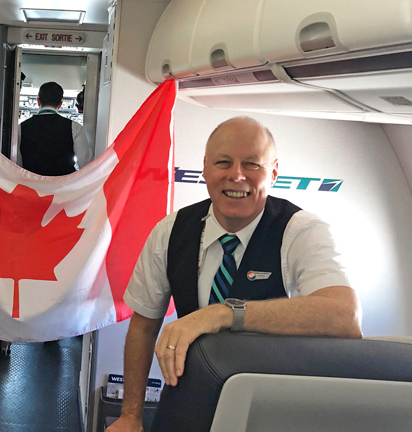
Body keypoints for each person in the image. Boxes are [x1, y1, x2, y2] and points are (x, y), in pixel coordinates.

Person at [107, 116, 362, 432]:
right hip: (189, 396)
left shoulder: (300, 231)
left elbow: (344, 317)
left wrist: (224, 314)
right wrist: (131, 415)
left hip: (270, 407)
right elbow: (143, 327)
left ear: (274, 173)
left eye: (252, 165)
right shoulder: (170, 232)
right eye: (223, 162)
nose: (237, 175)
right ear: (205, 168)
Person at [17, 82, 91, 176]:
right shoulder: (75, 127)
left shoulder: (21, 128)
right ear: (60, 104)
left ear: (38, 101)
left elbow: (17, 165)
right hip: (63, 188)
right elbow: (86, 165)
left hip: (32, 187)